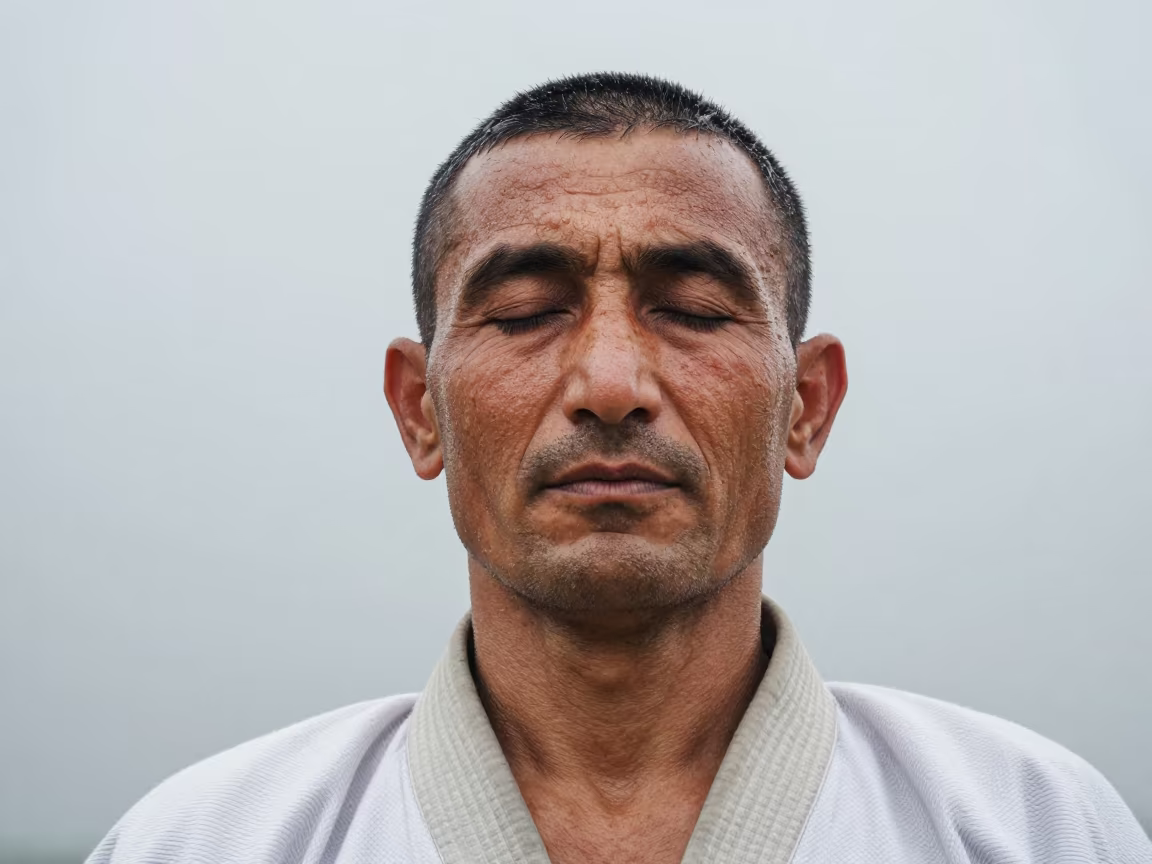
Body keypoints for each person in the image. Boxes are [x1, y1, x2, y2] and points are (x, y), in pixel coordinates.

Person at [86, 73, 1150, 864]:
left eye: (691, 311)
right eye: (524, 313)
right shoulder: (209, 840)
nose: (609, 381)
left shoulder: (1033, 826)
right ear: (422, 411)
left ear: (805, 409)